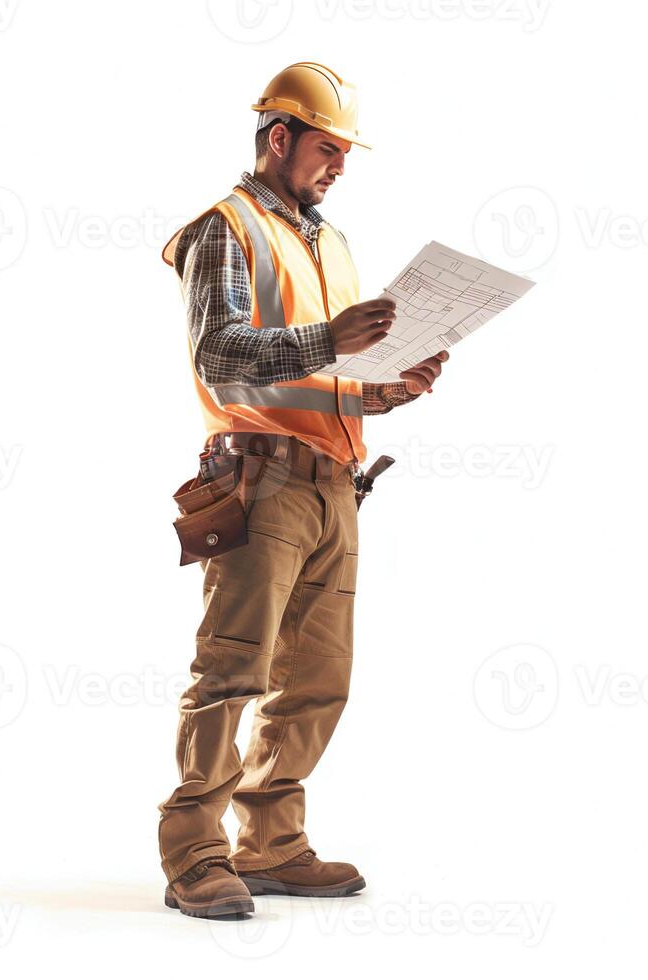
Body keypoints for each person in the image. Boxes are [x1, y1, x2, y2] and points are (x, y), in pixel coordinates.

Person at [154, 61, 448, 919]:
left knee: (318, 681)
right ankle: (196, 853)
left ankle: (272, 843)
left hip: (336, 481)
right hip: (259, 478)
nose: (339, 166)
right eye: (327, 147)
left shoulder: (333, 244)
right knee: (232, 671)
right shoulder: (226, 227)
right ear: (278, 138)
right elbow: (222, 354)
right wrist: (329, 339)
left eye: (345, 152)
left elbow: (329, 374)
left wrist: (389, 385)